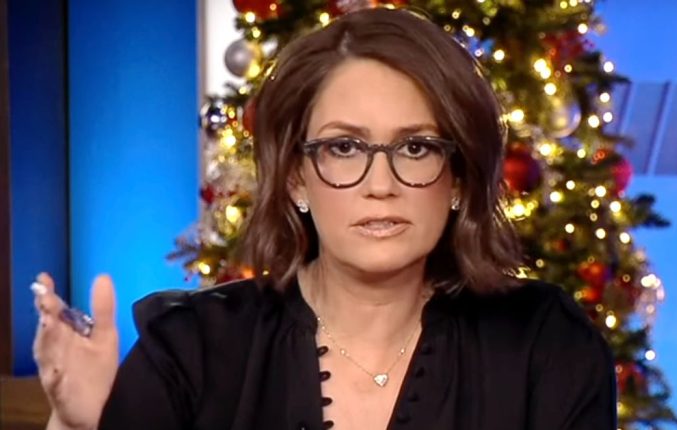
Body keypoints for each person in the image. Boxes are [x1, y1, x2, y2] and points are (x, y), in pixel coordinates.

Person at [32, 7, 616, 430]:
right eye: (344, 148)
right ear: (296, 178)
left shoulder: (544, 345)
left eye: (416, 147)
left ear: (459, 177)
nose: (381, 185)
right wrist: (76, 426)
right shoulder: (195, 349)